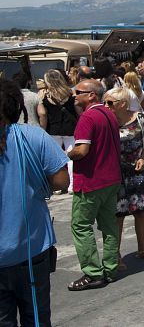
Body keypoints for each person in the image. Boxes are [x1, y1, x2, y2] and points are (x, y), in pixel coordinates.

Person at [0, 80, 69, 326]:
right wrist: (33, 188)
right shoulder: (32, 136)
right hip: (30, 253)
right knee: (36, 319)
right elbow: (62, 180)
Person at [67, 79, 122, 291]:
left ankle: (92, 272)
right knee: (109, 226)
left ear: (91, 95)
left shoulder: (88, 117)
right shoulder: (109, 113)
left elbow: (81, 151)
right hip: (111, 179)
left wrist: (65, 155)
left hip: (91, 181)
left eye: (78, 92)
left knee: (81, 226)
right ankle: (110, 268)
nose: (74, 95)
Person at [103, 88, 144, 267]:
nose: (106, 106)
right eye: (104, 102)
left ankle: (142, 248)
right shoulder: (106, 120)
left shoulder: (139, 118)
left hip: (137, 171)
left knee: (140, 211)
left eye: (110, 103)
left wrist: (143, 157)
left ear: (123, 104)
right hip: (115, 173)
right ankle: (116, 254)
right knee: (117, 215)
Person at [38, 69, 79, 194]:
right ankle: (72, 185)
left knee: (56, 158)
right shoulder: (70, 92)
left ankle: (59, 185)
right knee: (72, 157)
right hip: (70, 128)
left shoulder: (45, 95)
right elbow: (77, 111)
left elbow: (43, 113)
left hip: (53, 129)